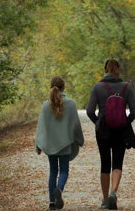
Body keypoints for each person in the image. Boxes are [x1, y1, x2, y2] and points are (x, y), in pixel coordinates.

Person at [86, 59, 135, 210]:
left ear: (105, 70)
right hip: (121, 130)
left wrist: (98, 122)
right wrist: (125, 122)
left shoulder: (98, 87)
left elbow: (90, 111)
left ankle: (104, 200)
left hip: (103, 130)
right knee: (117, 163)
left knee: (104, 163)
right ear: (118, 69)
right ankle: (113, 192)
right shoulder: (126, 87)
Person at [35, 76, 85, 210]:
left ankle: (52, 203)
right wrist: (80, 140)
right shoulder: (71, 103)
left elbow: (41, 127)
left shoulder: (45, 105)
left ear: (50, 87)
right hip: (65, 144)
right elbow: (76, 125)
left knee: (53, 172)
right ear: (64, 87)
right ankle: (59, 189)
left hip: (50, 145)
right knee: (64, 170)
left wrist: (38, 145)